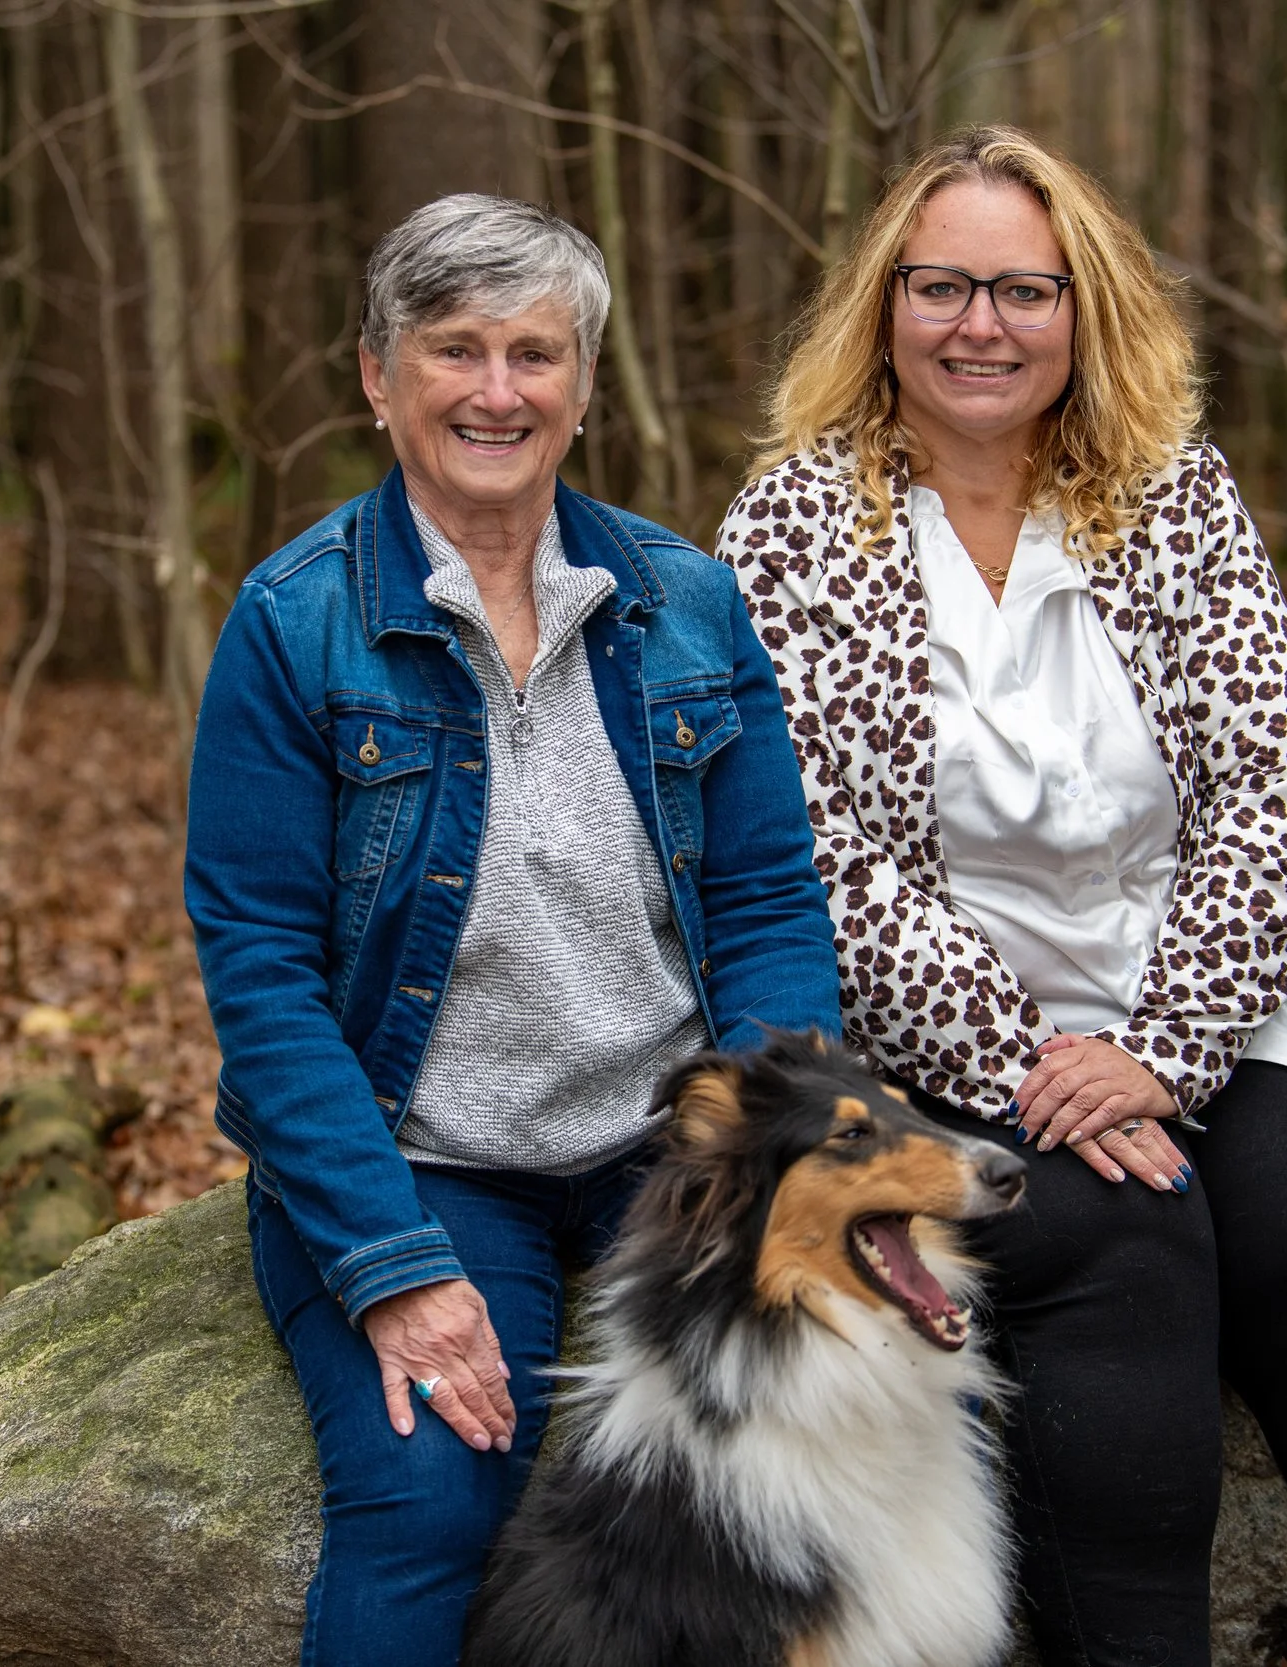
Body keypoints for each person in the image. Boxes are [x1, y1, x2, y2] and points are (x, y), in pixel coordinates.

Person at [717, 127, 1287, 1667]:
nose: (981, 324)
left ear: (1083, 308)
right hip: (959, 1047)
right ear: (884, 306)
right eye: (943, 286)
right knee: (1118, 1240)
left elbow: (1282, 774)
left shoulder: (1174, 495)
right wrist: (1039, 1068)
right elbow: (818, 850)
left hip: (1237, 1001)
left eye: (1025, 290)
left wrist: (1162, 1048)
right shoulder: (791, 532)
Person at [185, 194, 842, 1667]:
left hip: (665, 1145)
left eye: (536, 354)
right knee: (432, 1489)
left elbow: (766, 900)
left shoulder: (685, 603)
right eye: (456, 350)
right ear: (378, 376)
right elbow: (263, 972)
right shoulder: (296, 622)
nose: (499, 391)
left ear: (584, 385)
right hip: (426, 1153)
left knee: (802, 1446)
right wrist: (396, 1267)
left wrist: (760, 1155)